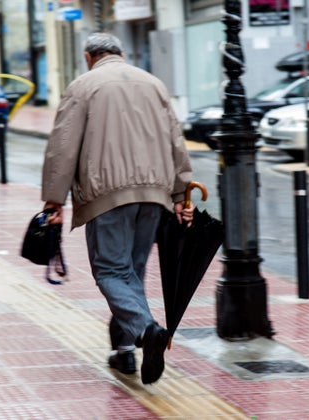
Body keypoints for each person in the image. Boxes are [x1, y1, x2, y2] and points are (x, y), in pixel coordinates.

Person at [41, 32, 194, 385]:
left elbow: (62, 147)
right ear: (121, 54)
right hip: (153, 194)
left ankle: (145, 332)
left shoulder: (83, 86)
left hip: (106, 194)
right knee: (131, 274)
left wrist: (54, 199)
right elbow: (176, 142)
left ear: (88, 56)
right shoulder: (153, 84)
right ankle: (124, 350)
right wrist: (181, 193)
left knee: (111, 271)